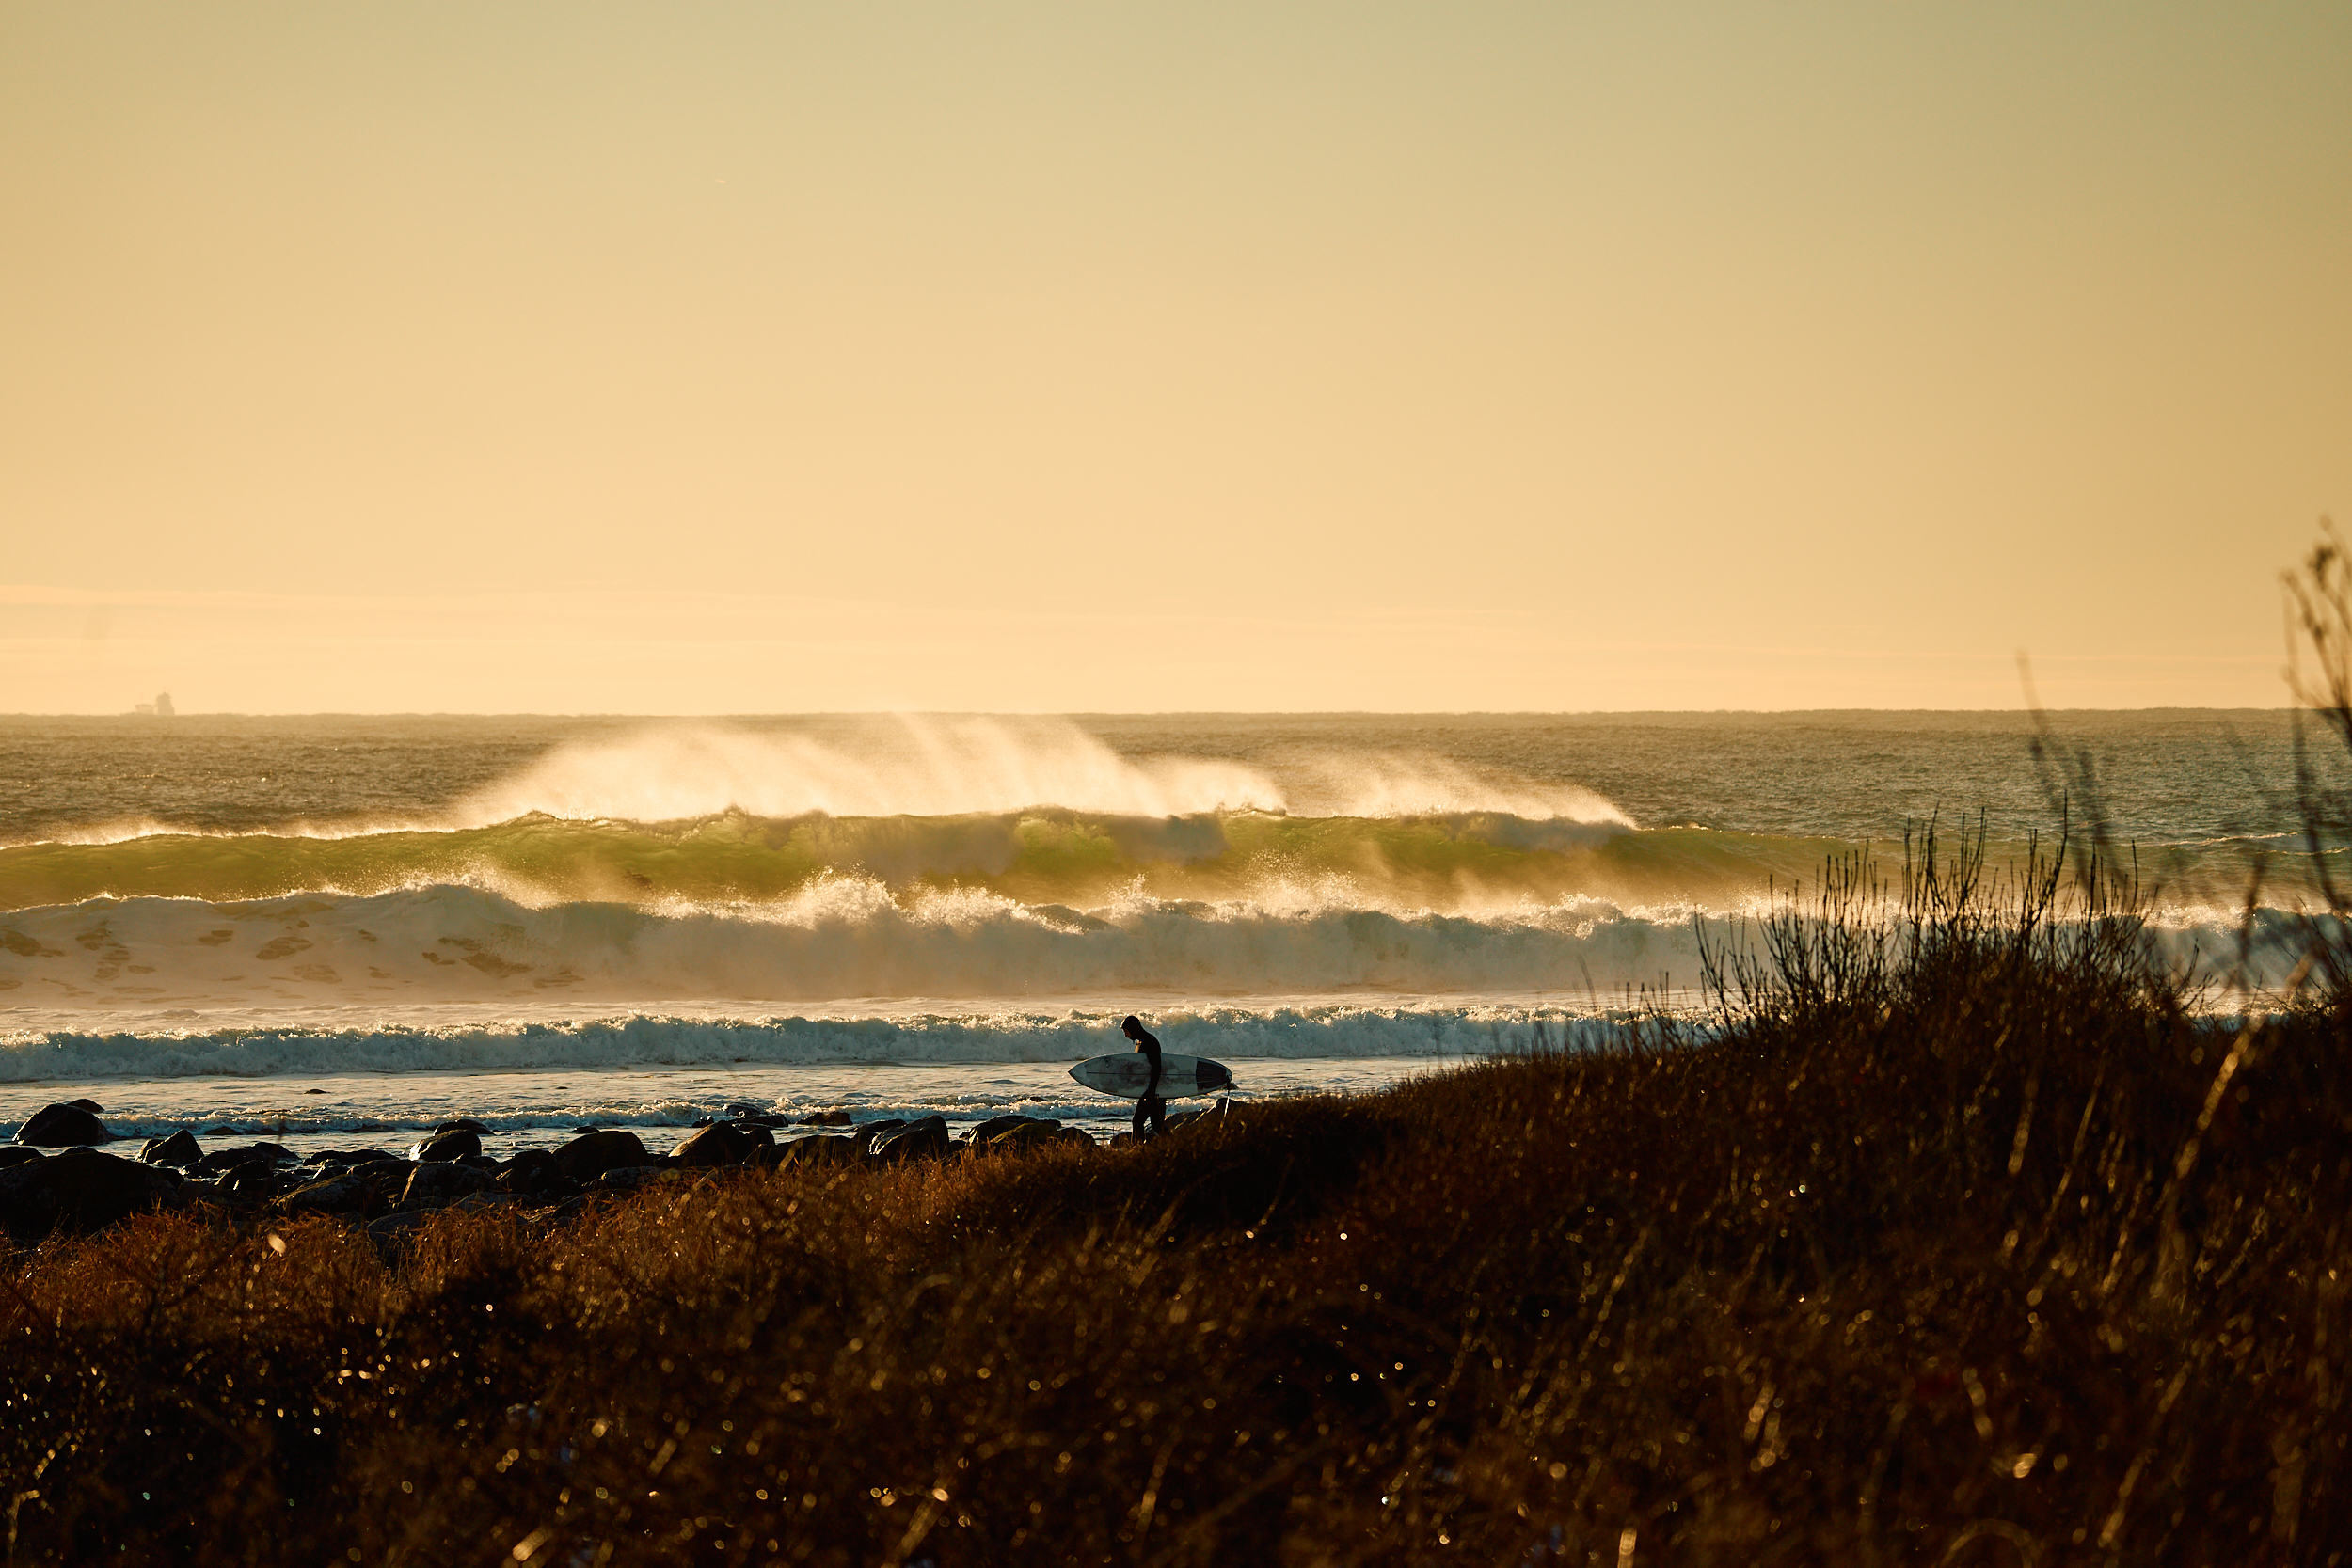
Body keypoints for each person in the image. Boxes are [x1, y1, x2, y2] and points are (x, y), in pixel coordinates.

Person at [1123, 1014, 1168, 1139]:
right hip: (1151, 1090)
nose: (1126, 1035)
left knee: (1138, 1122)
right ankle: (1175, 1147)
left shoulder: (1149, 1042)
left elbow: (1157, 1067)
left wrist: (1151, 1090)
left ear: (1133, 1028)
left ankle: (1137, 1152)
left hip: (1153, 1091)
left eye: (1126, 1031)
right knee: (1157, 1125)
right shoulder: (1141, 1042)